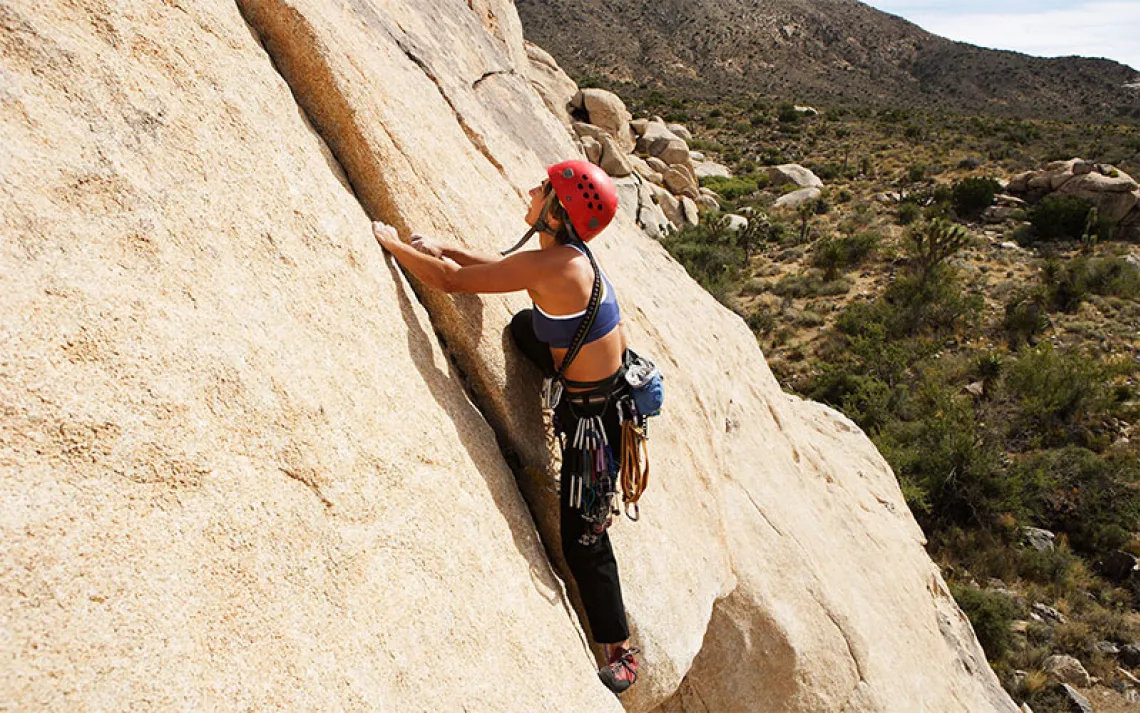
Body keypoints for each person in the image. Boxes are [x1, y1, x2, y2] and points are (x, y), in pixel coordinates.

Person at [372, 160, 639, 695]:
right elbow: (502, 267)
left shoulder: (558, 268)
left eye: (543, 189)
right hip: (601, 386)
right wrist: (446, 244)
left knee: (583, 539)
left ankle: (621, 650)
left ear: (558, 211)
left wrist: (393, 244)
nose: (531, 189)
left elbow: (452, 283)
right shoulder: (565, 255)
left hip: (596, 424)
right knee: (523, 327)